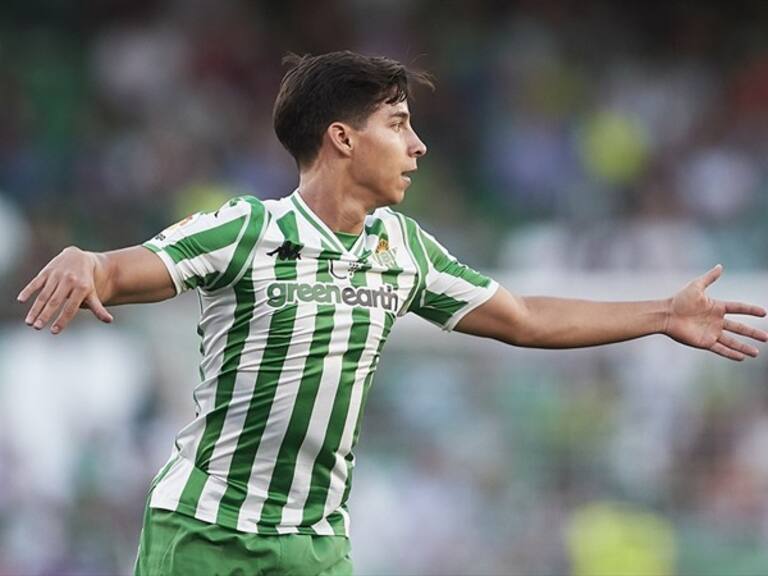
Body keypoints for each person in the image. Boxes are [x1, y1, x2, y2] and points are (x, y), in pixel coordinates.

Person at [17, 51, 768, 575]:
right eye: (399, 123)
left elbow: (526, 318)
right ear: (343, 137)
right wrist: (88, 262)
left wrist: (662, 313)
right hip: (203, 534)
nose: (419, 144)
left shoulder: (403, 248)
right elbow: (120, 271)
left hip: (314, 546)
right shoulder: (247, 230)